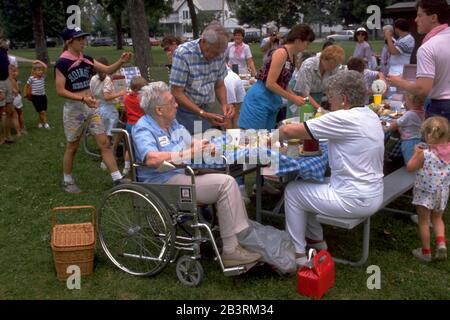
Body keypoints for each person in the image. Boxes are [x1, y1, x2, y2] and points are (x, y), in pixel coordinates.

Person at [132, 81, 261, 267]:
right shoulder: (143, 128)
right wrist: (187, 153)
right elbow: (152, 159)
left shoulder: (171, 123)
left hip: (181, 173)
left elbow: (189, 141)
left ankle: (237, 238)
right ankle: (232, 249)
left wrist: (201, 145)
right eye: (172, 102)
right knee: (226, 183)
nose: (176, 104)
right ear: (159, 110)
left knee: (227, 177)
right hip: (162, 183)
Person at [279, 71, 384, 267]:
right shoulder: (369, 114)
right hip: (372, 192)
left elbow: (287, 131)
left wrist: (267, 140)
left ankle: (298, 254)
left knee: (292, 192)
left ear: (343, 99)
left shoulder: (344, 118)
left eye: (331, 99)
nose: (329, 104)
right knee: (306, 185)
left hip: (355, 198)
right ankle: (317, 241)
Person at [55, 27, 132, 193]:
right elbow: (60, 90)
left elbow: (107, 70)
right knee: (72, 146)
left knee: (104, 143)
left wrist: (121, 61)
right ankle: (67, 180)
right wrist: (83, 98)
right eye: (79, 39)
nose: (83, 42)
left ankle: (117, 179)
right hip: (75, 110)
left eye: (84, 38)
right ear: (69, 41)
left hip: (92, 108)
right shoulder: (62, 63)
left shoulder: (87, 59)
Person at [238, 24, 315, 130]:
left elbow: (283, 82)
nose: (308, 46)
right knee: (254, 138)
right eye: (307, 43)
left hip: (272, 101)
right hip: (260, 99)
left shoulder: (292, 56)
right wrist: (293, 98)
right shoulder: (281, 53)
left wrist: (296, 97)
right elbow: (270, 83)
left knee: (268, 139)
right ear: (298, 40)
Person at [388, 0, 450, 121]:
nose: (416, 20)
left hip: (442, 109)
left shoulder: (428, 48)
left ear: (433, 17)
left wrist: (399, 82)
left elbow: (422, 89)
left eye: (420, 15)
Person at [169, 22, 233, 134]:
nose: (215, 57)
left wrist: (224, 104)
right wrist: (201, 113)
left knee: (204, 142)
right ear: (203, 41)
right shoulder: (183, 54)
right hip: (184, 111)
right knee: (192, 145)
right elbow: (177, 92)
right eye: (212, 52)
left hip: (206, 108)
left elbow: (219, 85)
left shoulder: (219, 54)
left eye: (218, 54)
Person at [406, 116, 450, 261]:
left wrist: (416, 153)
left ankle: (426, 252)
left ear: (427, 135)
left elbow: (410, 167)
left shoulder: (426, 154)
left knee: (424, 220)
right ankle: (441, 243)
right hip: (442, 192)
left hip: (425, 193)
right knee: (437, 218)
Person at [90, 57, 127, 170]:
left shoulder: (93, 79)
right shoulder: (107, 79)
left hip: (97, 108)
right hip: (108, 110)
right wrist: (119, 93)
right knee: (109, 136)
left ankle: (106, 157)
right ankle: (108, 158)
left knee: (103, 135)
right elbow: (107, 97)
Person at [294, 45, 345, 110]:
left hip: (317, 94)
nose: (333, 67)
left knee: (316, 117)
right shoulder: (308, 66)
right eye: (331, 64)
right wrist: (320, 109)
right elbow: (304, 93)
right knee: (302, 117)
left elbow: (332, 87)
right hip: (300, 96)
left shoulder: (334, 67)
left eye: (336, 65)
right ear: (324, 59)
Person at [385, 92, 425, 164]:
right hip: (418, 139)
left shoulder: (409, 114)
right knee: (415, 157)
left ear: (412, 102)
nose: (404, 102)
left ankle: (410, 169)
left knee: (409, 160)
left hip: (409, 141)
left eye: (406, 100)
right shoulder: (422, 112)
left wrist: (386, 129)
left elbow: (395, 124)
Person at [122, 75, 148, 176]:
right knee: (141, 146)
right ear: (137, 89)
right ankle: (140, 165)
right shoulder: (142, 100)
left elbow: (125, 109)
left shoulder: (126, 98)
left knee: (129, 147)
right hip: (140, 125)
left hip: (129, 124)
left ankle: (126, 167)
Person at [0, 30, 15, 145]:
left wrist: (12, 82)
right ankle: (2, 138)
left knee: (10, 110)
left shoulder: (3, 47)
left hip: (6, 80)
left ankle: (8, 136)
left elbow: (8, 65)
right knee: (2, 112)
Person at [27, 60, 50, 129]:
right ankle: (46, 124)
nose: (41, 72)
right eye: (38, 70)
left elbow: (45, 67)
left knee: (43, 111)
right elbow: (27, 86)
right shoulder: (31, 78)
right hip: (35, 97)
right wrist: (28, 95)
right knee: (42, 111)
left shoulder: (43, 77)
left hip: (43, 96)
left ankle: (40, 123)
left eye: (41, 70)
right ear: (34, 71)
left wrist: (38, 61)